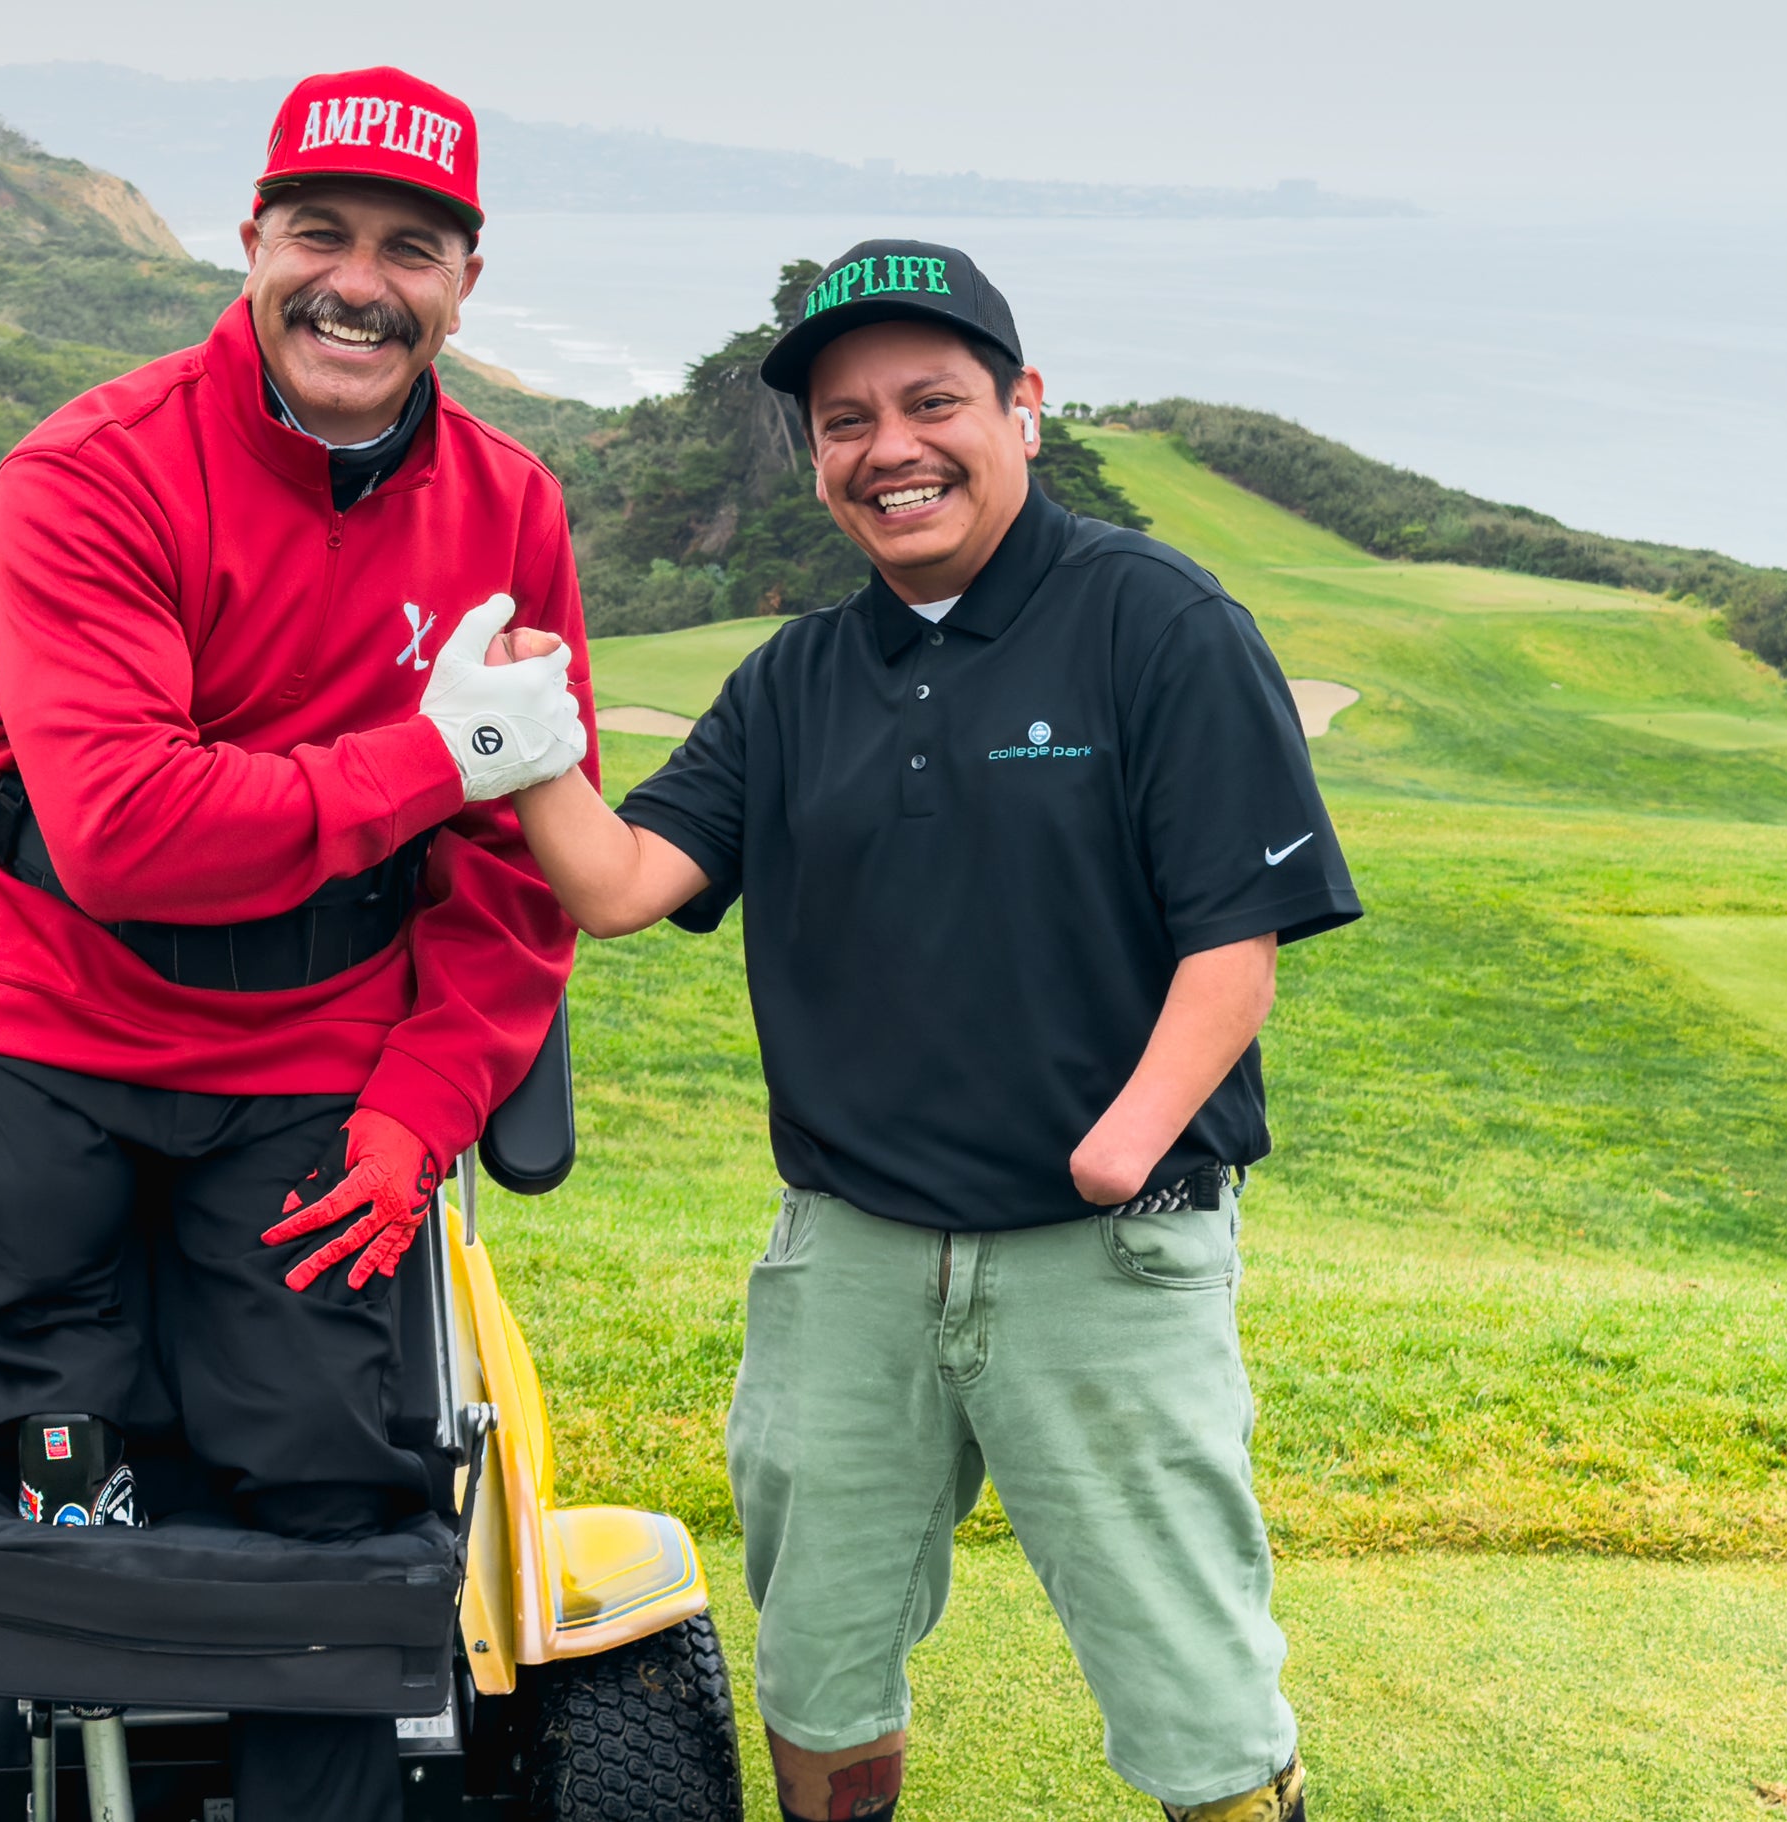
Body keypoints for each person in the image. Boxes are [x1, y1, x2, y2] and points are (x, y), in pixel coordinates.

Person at [504, 240, 1358, 1822]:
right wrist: (525, 749)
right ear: (817, 458)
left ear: (1021, 407)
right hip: (851, 1259)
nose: (889, 447)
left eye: (931, 401)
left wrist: (1115, 1152)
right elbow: (622, 885)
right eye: (845, 420)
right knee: (817, 1661)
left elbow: (1233, 947)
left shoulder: (1159, 623)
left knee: (1193, 1687)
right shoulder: (796, 679)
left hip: (1105, 1254)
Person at [0, 64, 594, 1820]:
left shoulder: (511, 511)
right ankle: (63, 1755)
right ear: (253, 239)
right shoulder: (90, 469)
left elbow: (515, 875)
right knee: (61, 1464)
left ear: (463, 284)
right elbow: (123, 831)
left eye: (408, 248)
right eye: (321, 233)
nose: (359, 281)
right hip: (33, 1016)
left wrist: (421, 1104)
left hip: (314, 1053)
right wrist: (435, 752)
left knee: (332, 1489)